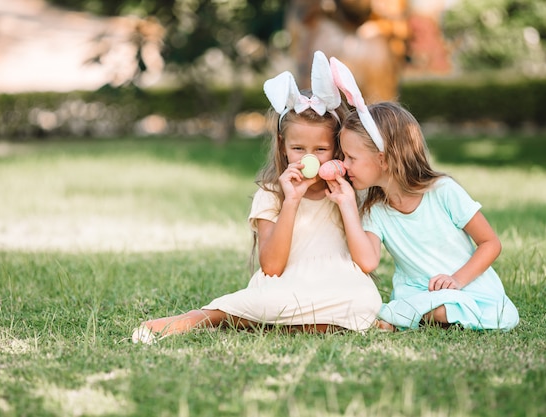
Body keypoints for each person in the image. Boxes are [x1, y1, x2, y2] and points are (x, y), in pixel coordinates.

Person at [132, 51, 382, 344]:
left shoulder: (351, 192)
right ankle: (209, 316)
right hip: (284, 284)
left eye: (321, 150)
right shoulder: (272, 194)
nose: (308, 158)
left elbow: (366, 263)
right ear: (283, 144)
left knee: (365, 302)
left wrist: (347, 203)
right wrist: (291, 202)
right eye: (298, 148)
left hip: (338, 282)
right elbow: (272, 267)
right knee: (268, 301)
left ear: (337, 148)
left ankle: (268, 322)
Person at [324, 56, 520, 331]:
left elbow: (490, 243)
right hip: (417, 292)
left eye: (350, 157)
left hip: (467, 285)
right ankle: (423, 314)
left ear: (383, 159)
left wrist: (456, 280)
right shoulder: (376, 210)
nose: (343, 165)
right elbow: (368, 261)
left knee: (488, 314)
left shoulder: (443, 192)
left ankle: (418, 316)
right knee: (424, 307)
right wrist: (346, 205)